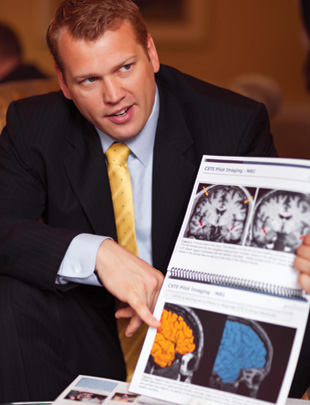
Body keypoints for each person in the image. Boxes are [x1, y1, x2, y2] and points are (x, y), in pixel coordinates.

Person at [0, 0, 281, 401]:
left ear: (151, 53)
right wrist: (98, 254)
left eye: (124, 68)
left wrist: (176, 299)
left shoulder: (232, 124)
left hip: (201, 333)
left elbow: (263, 264)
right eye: (89, 81)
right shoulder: (33, 126)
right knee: (11, 291)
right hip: (90, 339)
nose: (114, 95)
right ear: (64, 84)